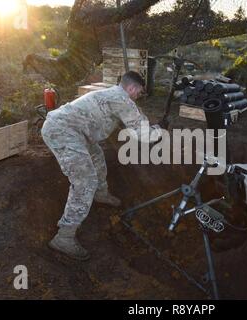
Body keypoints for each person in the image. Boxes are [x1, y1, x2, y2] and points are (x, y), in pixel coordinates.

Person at [41, 71, 168, 260]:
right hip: (63, 131)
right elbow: (142, 134)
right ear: (131, 88)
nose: (138, 96)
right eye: (139, 92)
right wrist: (160, 130)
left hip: (74, 130)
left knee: (97, 155)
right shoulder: (122, 99)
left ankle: (100, 194)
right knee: (85, 181)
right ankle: (64, 237)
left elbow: (133, 119)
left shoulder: (113, 94)